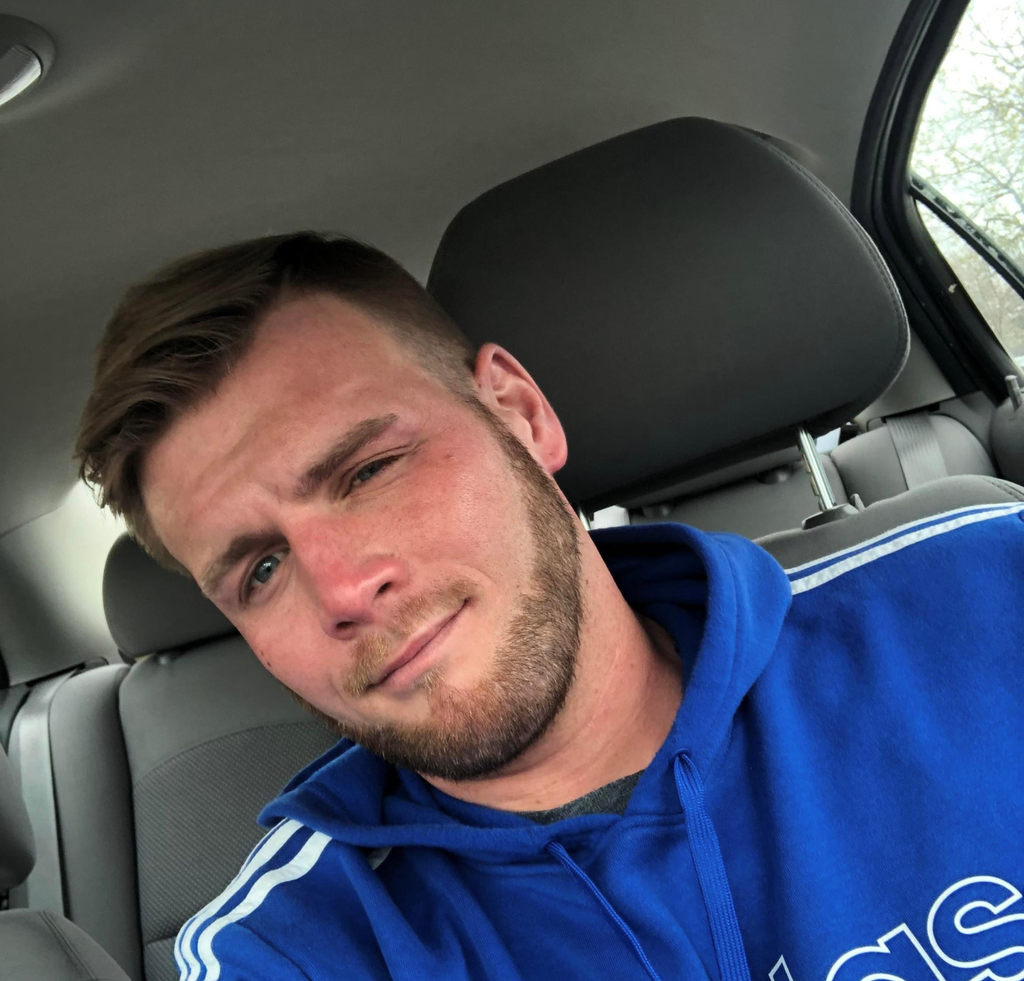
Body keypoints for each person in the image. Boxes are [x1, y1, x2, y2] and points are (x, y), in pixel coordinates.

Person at [77, 232, 1024, 981]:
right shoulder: (289, 949)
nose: (343, 591)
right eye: (260, 570)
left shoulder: (986, 588)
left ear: (520, 413)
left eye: (368, 470)